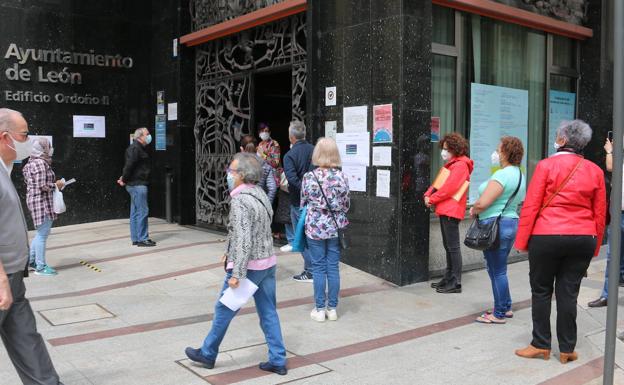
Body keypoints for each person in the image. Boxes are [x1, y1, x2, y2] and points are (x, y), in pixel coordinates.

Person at [185, 153, 288, 376]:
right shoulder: (259, 193)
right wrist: (228, 252)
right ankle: (278, 359)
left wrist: (237, 274)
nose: (228, 175)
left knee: (224, 309)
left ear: (241, 175)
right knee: (269, 311)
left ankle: (208, 353)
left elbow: (244, 238)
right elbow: (254, 230)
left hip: (249, 267)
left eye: (231, 171)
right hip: (267, 263)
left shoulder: (241, 200)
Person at [514, 120, 606, 364]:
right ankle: (566, 349)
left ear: (563, 141)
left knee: (542, 290)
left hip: (547, 235)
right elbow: (600, 213)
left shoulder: (545, 166)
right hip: (583, 237)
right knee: (569, 292)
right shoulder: (595, 171)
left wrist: (522, 241)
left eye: (557, 135)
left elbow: (532, 205)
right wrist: (595, 247)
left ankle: (540, 344)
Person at [0, 108, 64, 384]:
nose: (28, 140)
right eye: (24, 134)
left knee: (26, 336)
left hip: (13, 276)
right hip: (3, 279)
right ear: (4, 137)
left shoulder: (6, 169)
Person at [470, 137, 526, 324]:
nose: (495, 153)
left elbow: (483, 202)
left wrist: (474, 209)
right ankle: (505, 305)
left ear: (505, 152)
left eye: (498, 149)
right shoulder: (519, 174)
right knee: (498, 269)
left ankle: (499, 313)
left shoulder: (502, 175)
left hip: (496, 225)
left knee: (497, 271)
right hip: (510, 223)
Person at [301, 138, 350, 322]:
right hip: (335, 226)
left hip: (315, 227)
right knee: (333, 267)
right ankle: (333, 308)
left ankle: (320, 309)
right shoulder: (342, 176)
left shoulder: (309, 177)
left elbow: (303, 203)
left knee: (319, 268)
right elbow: (346, 204)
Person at [424, 133, 474, 294]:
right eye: (443, 148)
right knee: (449, 246)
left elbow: (449, 188)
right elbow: (438, 184)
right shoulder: (453, 164)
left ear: (455, 149)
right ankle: (448, 277)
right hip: (446, 209)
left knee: (452, 247)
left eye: (446, 149)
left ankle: (455, 281)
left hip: (451, 210)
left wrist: (431, 199)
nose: (443, 152)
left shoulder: (460, 165)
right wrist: (428, 194)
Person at [587, 135, 624, 307]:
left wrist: (610, 151)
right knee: (612, 256)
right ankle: (607, 294)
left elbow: (610, 166)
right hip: (618, 214)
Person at [23, 138, 64, 276]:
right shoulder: (41, 163)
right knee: (42, 234)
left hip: (35, 200)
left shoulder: (31, 162)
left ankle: (32, 261)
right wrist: (56, 185)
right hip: (41, 202)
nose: (51, 148)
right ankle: (40, 267)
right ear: (43, 149)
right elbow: (43, 186)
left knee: (40, 233)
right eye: (48, 146)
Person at [283, 120, 315, 282]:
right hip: (315, 200)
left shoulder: (289, 156)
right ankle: (315, 268)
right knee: (313, 237)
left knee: (300, 237)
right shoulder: (314, 150)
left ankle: (310, 271)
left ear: (291, 137)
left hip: (298, 202)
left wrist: (303, 188)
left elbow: (291, 178)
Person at [117, 127, 156, 247]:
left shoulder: (137, 148)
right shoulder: (135, 149)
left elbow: (130, 166)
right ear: (140, 137)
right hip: (137, 185)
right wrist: (123, 179)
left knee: (135, 212)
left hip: (135, 184)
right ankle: (142, 238)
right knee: (142, 211)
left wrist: (124, 179)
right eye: (147, 134)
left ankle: (136, 238)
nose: (149, 136)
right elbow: (129, 166)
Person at [241, 135, 277, 203]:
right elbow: (273, 188)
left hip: (242, 205)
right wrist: (266, 206)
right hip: (259, 205)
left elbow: (232, 187)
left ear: (241, 149)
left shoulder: (237, 165)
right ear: (257, 148)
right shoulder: (265, 165)